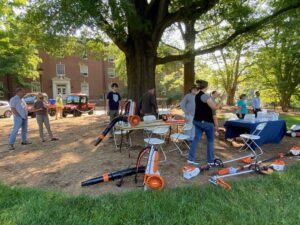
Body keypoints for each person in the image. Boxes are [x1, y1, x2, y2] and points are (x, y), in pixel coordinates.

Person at [187, 80, 226, 165]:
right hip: (206, 123)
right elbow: (215, 107)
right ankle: (210, 161)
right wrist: (222, 98)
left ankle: (190, 159)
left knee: (196, 139)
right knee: (210, 141)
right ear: (206, 87)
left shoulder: (197, 95)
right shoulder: (205, 96)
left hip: (197, 121)